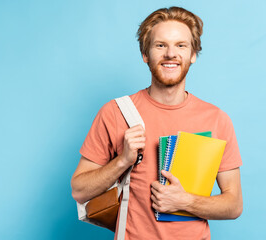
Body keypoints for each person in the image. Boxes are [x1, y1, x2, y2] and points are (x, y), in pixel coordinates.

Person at [71, 6, 243, 240]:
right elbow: (79, 191)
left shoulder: (216, 120)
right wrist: (122, 161)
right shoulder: (115, 112)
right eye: (160, 45)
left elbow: (234, 205)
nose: (171, 54)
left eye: (181, 45)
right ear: (145, 55)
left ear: (192, 55)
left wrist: (186, 201)